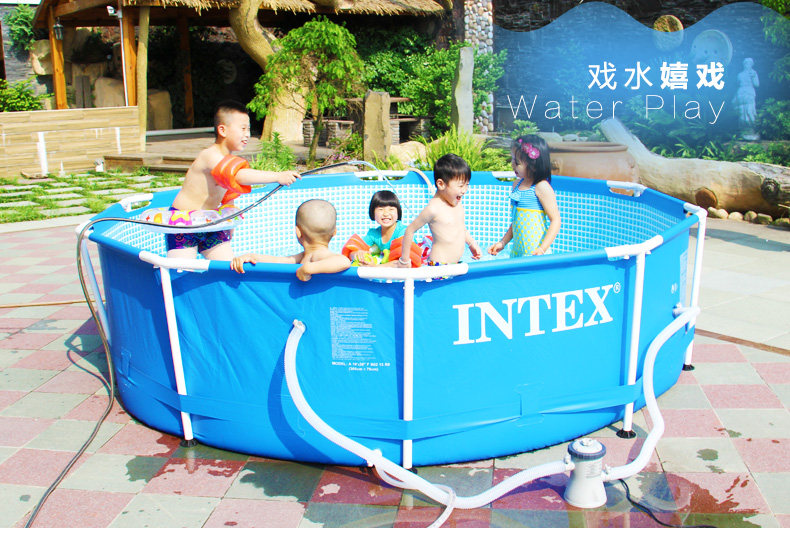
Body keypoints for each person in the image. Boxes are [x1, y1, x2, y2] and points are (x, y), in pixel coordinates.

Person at [167, 100, 300, 261]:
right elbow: (237, 176)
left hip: (209, 221)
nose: (247, 134)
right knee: (181, 270)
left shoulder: (228, 159)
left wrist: (229, 221)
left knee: (228, 267)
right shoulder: (210, 156)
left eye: (248, 129)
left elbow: (228, 194)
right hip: (183, 223)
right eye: (243, 129)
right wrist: (277, 176)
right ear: (222, 130)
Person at [230, 199, 351, 281]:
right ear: (334, 232)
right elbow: (278, 261)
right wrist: (251, 257)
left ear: (298, 232)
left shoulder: (320, 256)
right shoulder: (303, 256)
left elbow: (344, 261)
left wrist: (309, 268)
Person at [396, 153, 482, 266]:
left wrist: (471, 244)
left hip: (456, 264)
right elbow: (410, 230)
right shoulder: (433, 209)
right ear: (441, 184)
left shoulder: (457, 202)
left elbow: (461, 228)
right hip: (439, 265)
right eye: (461, 186)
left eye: (467, 185)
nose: (464, 190)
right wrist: (404, 260)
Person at [487, 135, 560, 258]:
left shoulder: (541, 187)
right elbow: (516, 221)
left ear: (533, 165)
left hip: (536, 254)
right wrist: (502, 242)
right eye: (512, 159)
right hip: (517, 252)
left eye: (517, 162)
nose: (512, 164)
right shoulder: (516, 185)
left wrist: (542, 249)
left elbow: (555, 220)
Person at [345, 190, 408, 266]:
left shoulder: (404, 232)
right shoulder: (374, 234)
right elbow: (351, 252)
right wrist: (358, 254)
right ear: (373, 213)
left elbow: (405, 262)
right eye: (381, 209)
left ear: (398, 212)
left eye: (391, 209)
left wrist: (375, 267)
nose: (386, 213)